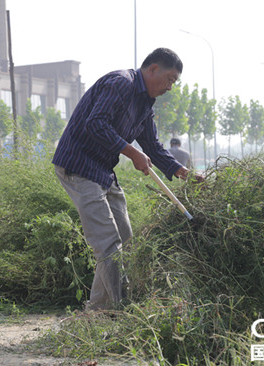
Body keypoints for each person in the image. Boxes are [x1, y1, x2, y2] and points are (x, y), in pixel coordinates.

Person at [52, 48, 193, 311]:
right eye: (170, 79)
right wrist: (131, 152)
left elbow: (152, 145)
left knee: (126, 241)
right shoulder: (121, 84)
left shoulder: (145, 103)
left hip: (104, 170)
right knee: (108, 244)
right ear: (152, 70)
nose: (170, 87)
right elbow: (96, 124)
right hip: (79, 166)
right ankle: (121, 312)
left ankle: (97, 312)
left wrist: (182, 173)